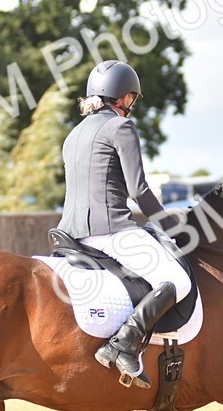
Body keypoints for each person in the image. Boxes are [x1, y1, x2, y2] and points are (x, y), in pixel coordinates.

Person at [57, 60, 192, 386]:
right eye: (132, 97)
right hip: (110, 231)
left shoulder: (73, 134)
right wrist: (171, 227)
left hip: (68, 234)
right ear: (122, 96)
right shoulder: (121, 127)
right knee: (178, 280)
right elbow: (139, 190)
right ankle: (123, 344)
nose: (132, 103)